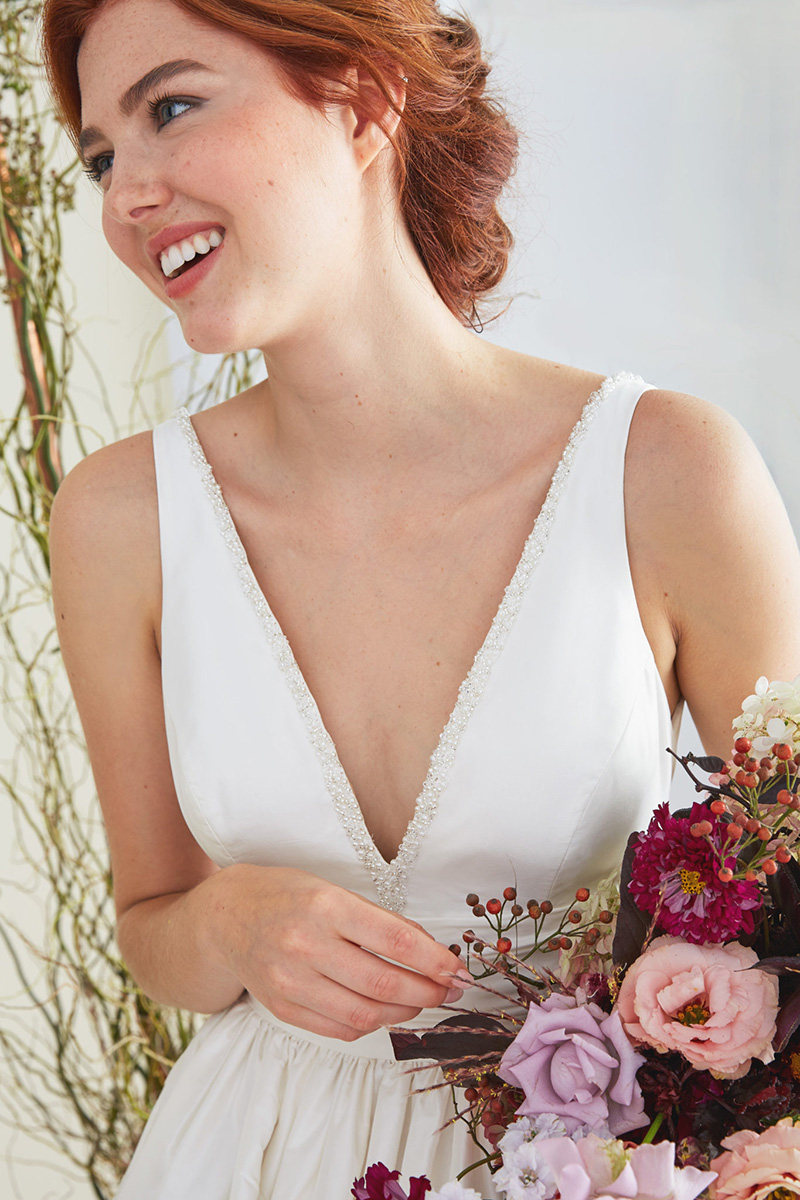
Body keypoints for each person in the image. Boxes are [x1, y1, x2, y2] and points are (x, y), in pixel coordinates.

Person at [41, 0, 800, 1196]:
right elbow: (153, 918)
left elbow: (786, 904)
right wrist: (232, 925)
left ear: (360, 97)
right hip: (244, 1155)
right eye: (99, 159)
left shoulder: (666, 472)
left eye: (171, 107)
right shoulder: (120, 518)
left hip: (579, 1161)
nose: (127, 195)